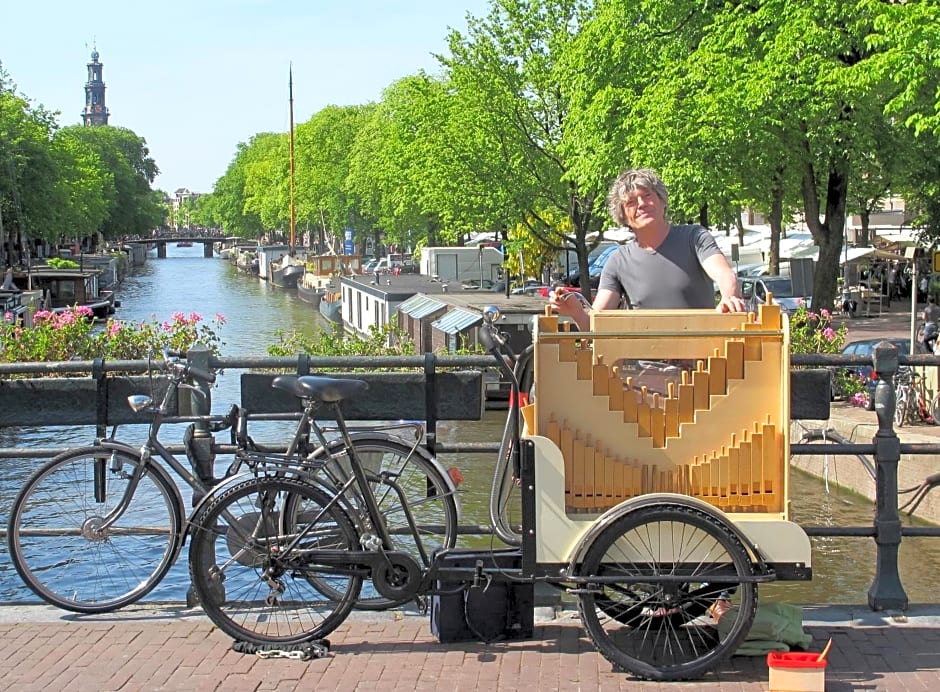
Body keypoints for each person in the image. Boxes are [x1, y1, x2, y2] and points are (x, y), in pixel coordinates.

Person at [551, 168, 746, 330]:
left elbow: (725, 275)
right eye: (631, 202)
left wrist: (729, 298)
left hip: (703, 367)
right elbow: (597, 326)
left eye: (647, 195)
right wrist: (575, 311)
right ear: (623, 216)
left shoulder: (694, 237)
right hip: (643, 372)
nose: (642, 204)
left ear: (662, 201)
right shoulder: (618, 261)